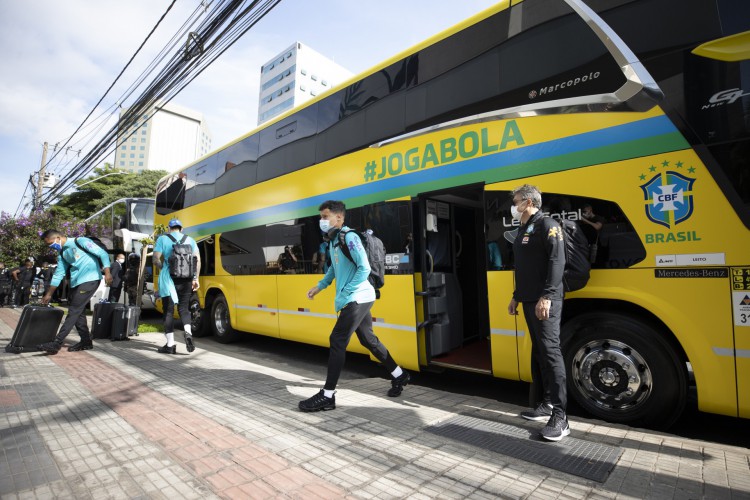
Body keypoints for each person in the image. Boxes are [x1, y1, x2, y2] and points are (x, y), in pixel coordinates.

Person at [299, 200, 410, 412]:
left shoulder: (349, 237)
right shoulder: (333, 241)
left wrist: (347, 291)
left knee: (337, 339)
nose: (321, 221)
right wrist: (319, 287)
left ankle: (328, 396)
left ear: (339, 217)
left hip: (358, 296)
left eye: (325, 216)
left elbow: (364, 267)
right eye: (321, 217)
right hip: (358, 297)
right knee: (368, 339)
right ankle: (399, 375)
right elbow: (332, 270)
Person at [506, 184, 569, 442]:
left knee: (551, 350)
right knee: (540, 350)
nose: (514, 204)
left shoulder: (547, 224)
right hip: (529, 299)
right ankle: (546, 403)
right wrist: (516, 297)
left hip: (546, 300)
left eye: (516, 200)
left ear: (529, 201)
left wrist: (547, 296)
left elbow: (557, 261)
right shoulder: (524, 228)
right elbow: (524, 267)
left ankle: (561, 416)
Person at [37, 230, 113, 353]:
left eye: (50, 243)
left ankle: (57, 342)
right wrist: (49, 294)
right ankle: (86, 341)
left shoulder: (80, 241)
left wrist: (108, 272)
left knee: (74, 311)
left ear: (58, 237)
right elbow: (58, 274)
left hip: (90, 279)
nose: (51, 246)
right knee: (79, 312)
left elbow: (102, 254)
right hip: (75, 283)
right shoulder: (62, 253)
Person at [153, 219, 200, 354]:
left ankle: (170, 344)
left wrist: (164, 267)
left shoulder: (162, 239)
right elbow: (197, 260)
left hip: (169, 278)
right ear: (181, 228)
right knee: (184, 309)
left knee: (168, 311)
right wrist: (195, 278)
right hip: (187, 278)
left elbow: (155, 259)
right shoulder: (190, 240)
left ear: (169, 228)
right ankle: (188, 332)